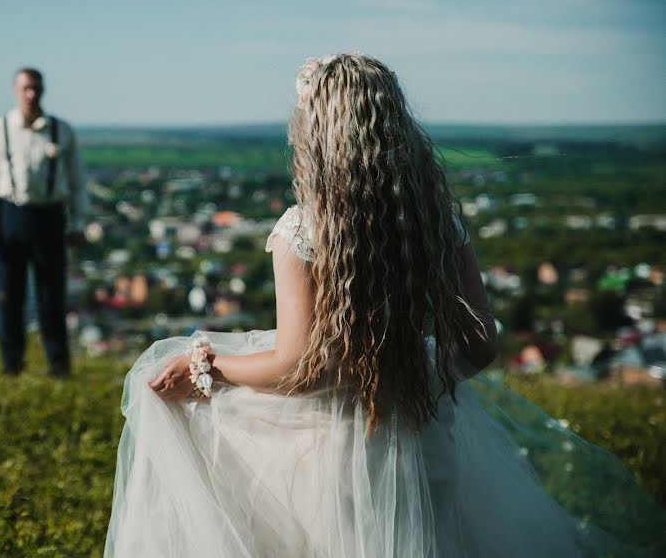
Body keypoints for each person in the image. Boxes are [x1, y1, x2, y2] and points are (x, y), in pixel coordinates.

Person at [104, 54, 665, 557]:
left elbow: (302, 368)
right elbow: (481, 345)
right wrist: (408, 370)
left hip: (336, 459)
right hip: (427, 443)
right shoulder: (435, 221)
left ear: (316, 130)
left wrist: (207, 366)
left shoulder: (303, 230)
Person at [0, 67, 89, 377]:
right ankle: (11, 365)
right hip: (10, 214)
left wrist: (78, 223)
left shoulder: (61, 130)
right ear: (14, 90)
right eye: (25, 88)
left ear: (43, 90)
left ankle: (59, 365)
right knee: (9, 295)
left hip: (50, 216)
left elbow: (77, 181)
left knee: (51, 295)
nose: (31, 94)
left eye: (36, 88)